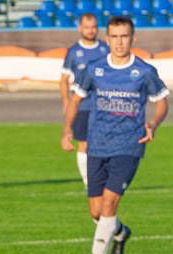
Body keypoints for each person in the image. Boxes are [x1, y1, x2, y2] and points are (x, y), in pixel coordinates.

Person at [61, 16, 169, 254]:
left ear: (133, 38)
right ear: (107, 39)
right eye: (115, 37)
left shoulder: (144, 71)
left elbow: (162, 102)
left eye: (124, 36)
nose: (120, 42)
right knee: (97, 213)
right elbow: (76, 100)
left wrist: (153, 123)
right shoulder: (95, 69)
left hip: (129, 146)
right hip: (97, 145)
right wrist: (67, 129)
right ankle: (120, 233)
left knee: (110, 204)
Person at [60, 13, 109, 191]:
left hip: (103, 105)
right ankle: (88, 181)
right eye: (87, 27)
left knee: (104, 143)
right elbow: (64, 79)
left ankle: (101, 176)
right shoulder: (73, 52)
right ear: (80, 28)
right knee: (84, 143)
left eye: (94, 27)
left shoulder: (105, 49)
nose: (91, 30)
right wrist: (66, 101)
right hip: (82, 105)